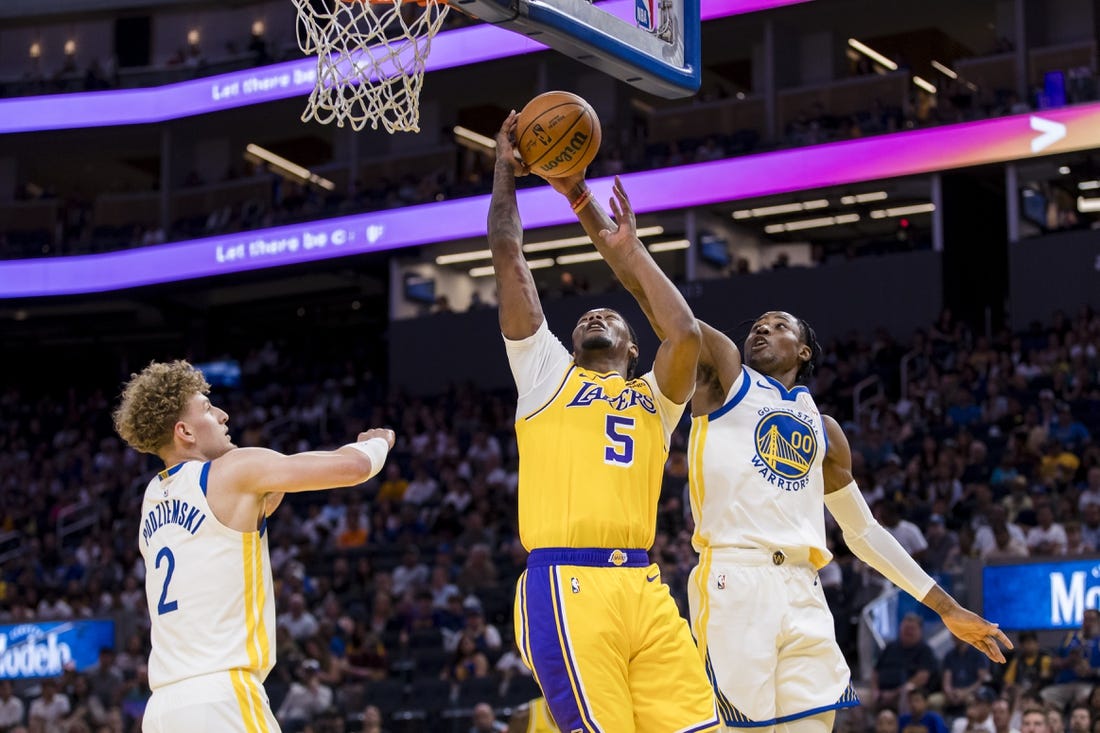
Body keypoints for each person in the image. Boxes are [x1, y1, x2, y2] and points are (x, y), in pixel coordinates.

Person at [546, 167, 1011, 731]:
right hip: (735, 582)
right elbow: (665, 311)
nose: (760, 331)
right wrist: (601, 220)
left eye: (777, 325)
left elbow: (863, 534)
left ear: (805, 350)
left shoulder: (825, 429)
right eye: (757, 326)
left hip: (804, 589)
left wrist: (945, 607)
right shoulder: (725, 378)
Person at [489, 112, 719, 732]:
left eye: (610, 315)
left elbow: (686, 332)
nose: (596, 315)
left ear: (634, 347)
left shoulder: (657, 399)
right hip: (568, 583)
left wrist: (626, 248)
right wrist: (505, 176)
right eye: (586, 316)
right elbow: (509, 253)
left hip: (645, 588)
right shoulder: (546, 375)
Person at [112, 360, 395, 733]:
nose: (223, 414)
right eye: (208, 409)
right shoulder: (232, 470)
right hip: (222, 697)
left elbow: (258, 504)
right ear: (184, 431)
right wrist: (377, 442)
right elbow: (354, 468)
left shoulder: (151, 498)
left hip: (163, 709)